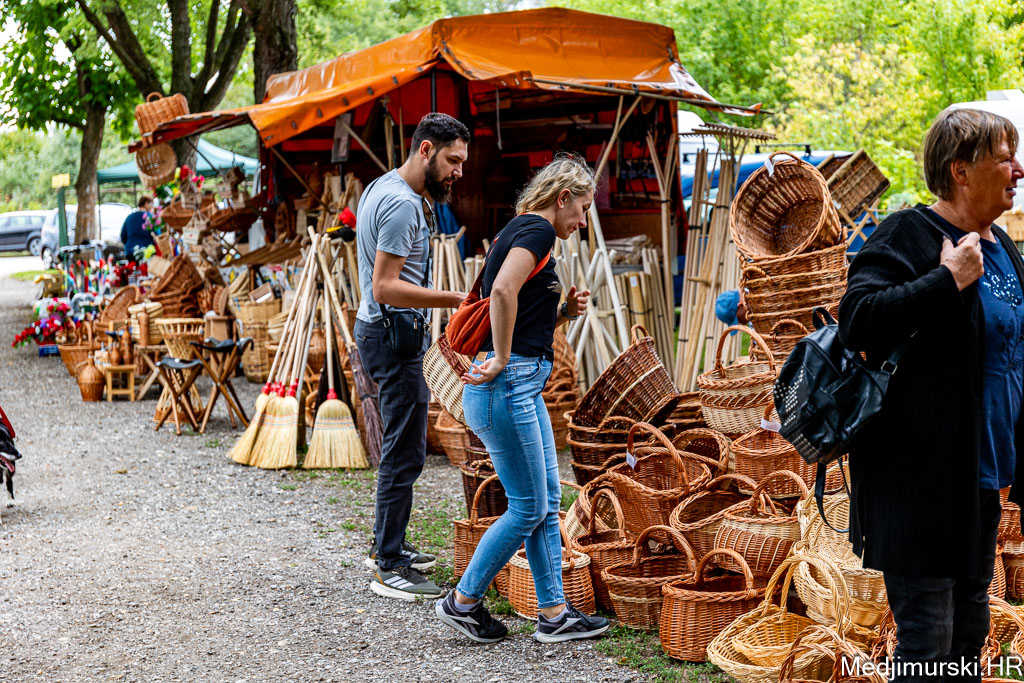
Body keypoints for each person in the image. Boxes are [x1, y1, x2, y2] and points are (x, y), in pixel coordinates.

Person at [838, 108, 1024, 681]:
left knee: (970, 629)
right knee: (928, 640)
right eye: (1004, 158)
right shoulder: (909, 234)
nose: (1018, 169)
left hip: (980, 479)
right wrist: (947, 280)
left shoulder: (1004, 248)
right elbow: (857, 320)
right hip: (918, 483)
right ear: (960, 171)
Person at [434, 153, 610, 644]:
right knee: (529, 506)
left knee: (544, 500)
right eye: (582, 209)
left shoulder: (522, 232)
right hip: (508, 384)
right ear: (563, 198)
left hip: (517, 384)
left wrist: (562, 313)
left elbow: (524, 314)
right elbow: (503, 292)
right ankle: (462, 601)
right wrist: (502, 356)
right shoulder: (536, 231)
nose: (582, 221)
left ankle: (553, 613)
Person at [355, 113, 470, 600]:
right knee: (404, 450)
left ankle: (388, 543)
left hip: (380, 331)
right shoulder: (403, 205)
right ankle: (389, 565)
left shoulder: (382, 186)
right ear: (425, 150)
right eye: (452, 160)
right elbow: (385, 285)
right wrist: (456, 299)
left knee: (403, 445)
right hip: (392, 336)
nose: (458, 172)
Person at [120, 196, 154, 262]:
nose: (152, 207)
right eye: (151, 204)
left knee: (132, 268)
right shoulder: (149, 217)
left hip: (130, 251)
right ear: (146, 203)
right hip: (147, 251)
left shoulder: (129, 217)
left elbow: (122, 236)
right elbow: (156, 234)